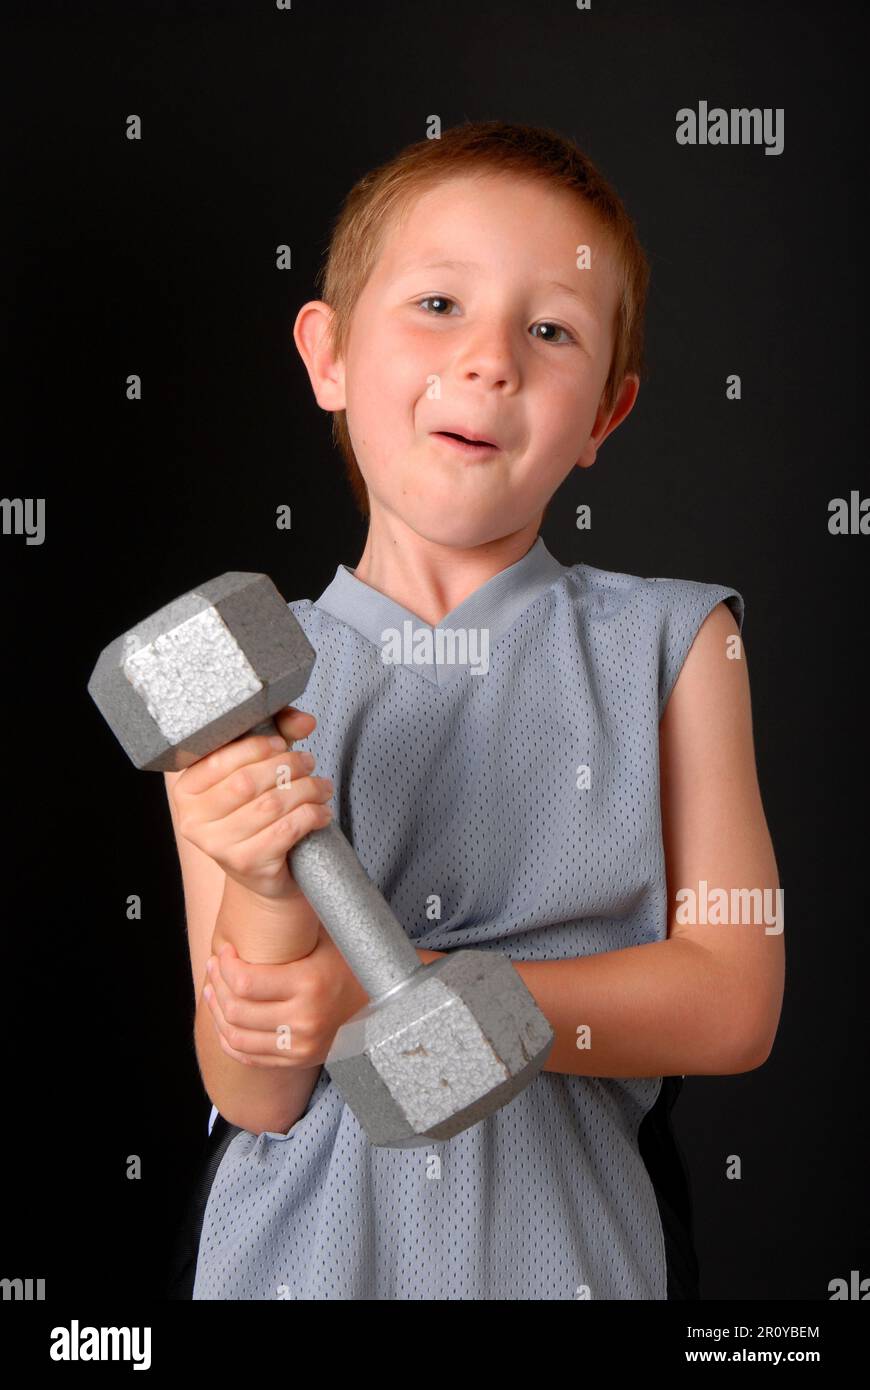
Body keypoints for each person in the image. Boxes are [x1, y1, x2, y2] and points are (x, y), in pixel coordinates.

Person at [164, 120, 784, 1301]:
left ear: (605, 414)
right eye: (439, 304)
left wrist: (410, 993)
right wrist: (260, 890)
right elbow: (253, 1091)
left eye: (550, 330)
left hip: (575, 1259)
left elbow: (731, 1004)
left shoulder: (681, 641)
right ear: (329, 355)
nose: (491, 359)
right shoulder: (232, 677)